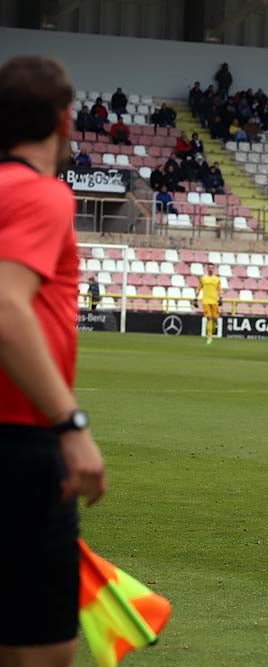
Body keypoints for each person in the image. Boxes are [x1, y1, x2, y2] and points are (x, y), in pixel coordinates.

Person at [0, 54, 107, 667]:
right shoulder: (42, 195)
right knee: (42, 653)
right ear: (66, 120)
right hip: (19, 443)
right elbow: (8, 307)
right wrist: (70, 426)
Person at [196, 262, 221, 345]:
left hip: (214, 301)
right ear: (207, 269)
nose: (210, 269)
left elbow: (220, 290)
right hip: (206, 301)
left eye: (211, 268)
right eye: (209, 268)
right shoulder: (203, 279)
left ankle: (212, 329)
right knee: (209, 318)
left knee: (215, 318)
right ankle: (209, 337)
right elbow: (199, 288)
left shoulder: (217, 279)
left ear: (213, 269)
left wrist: (220, 298)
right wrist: (195, 298)